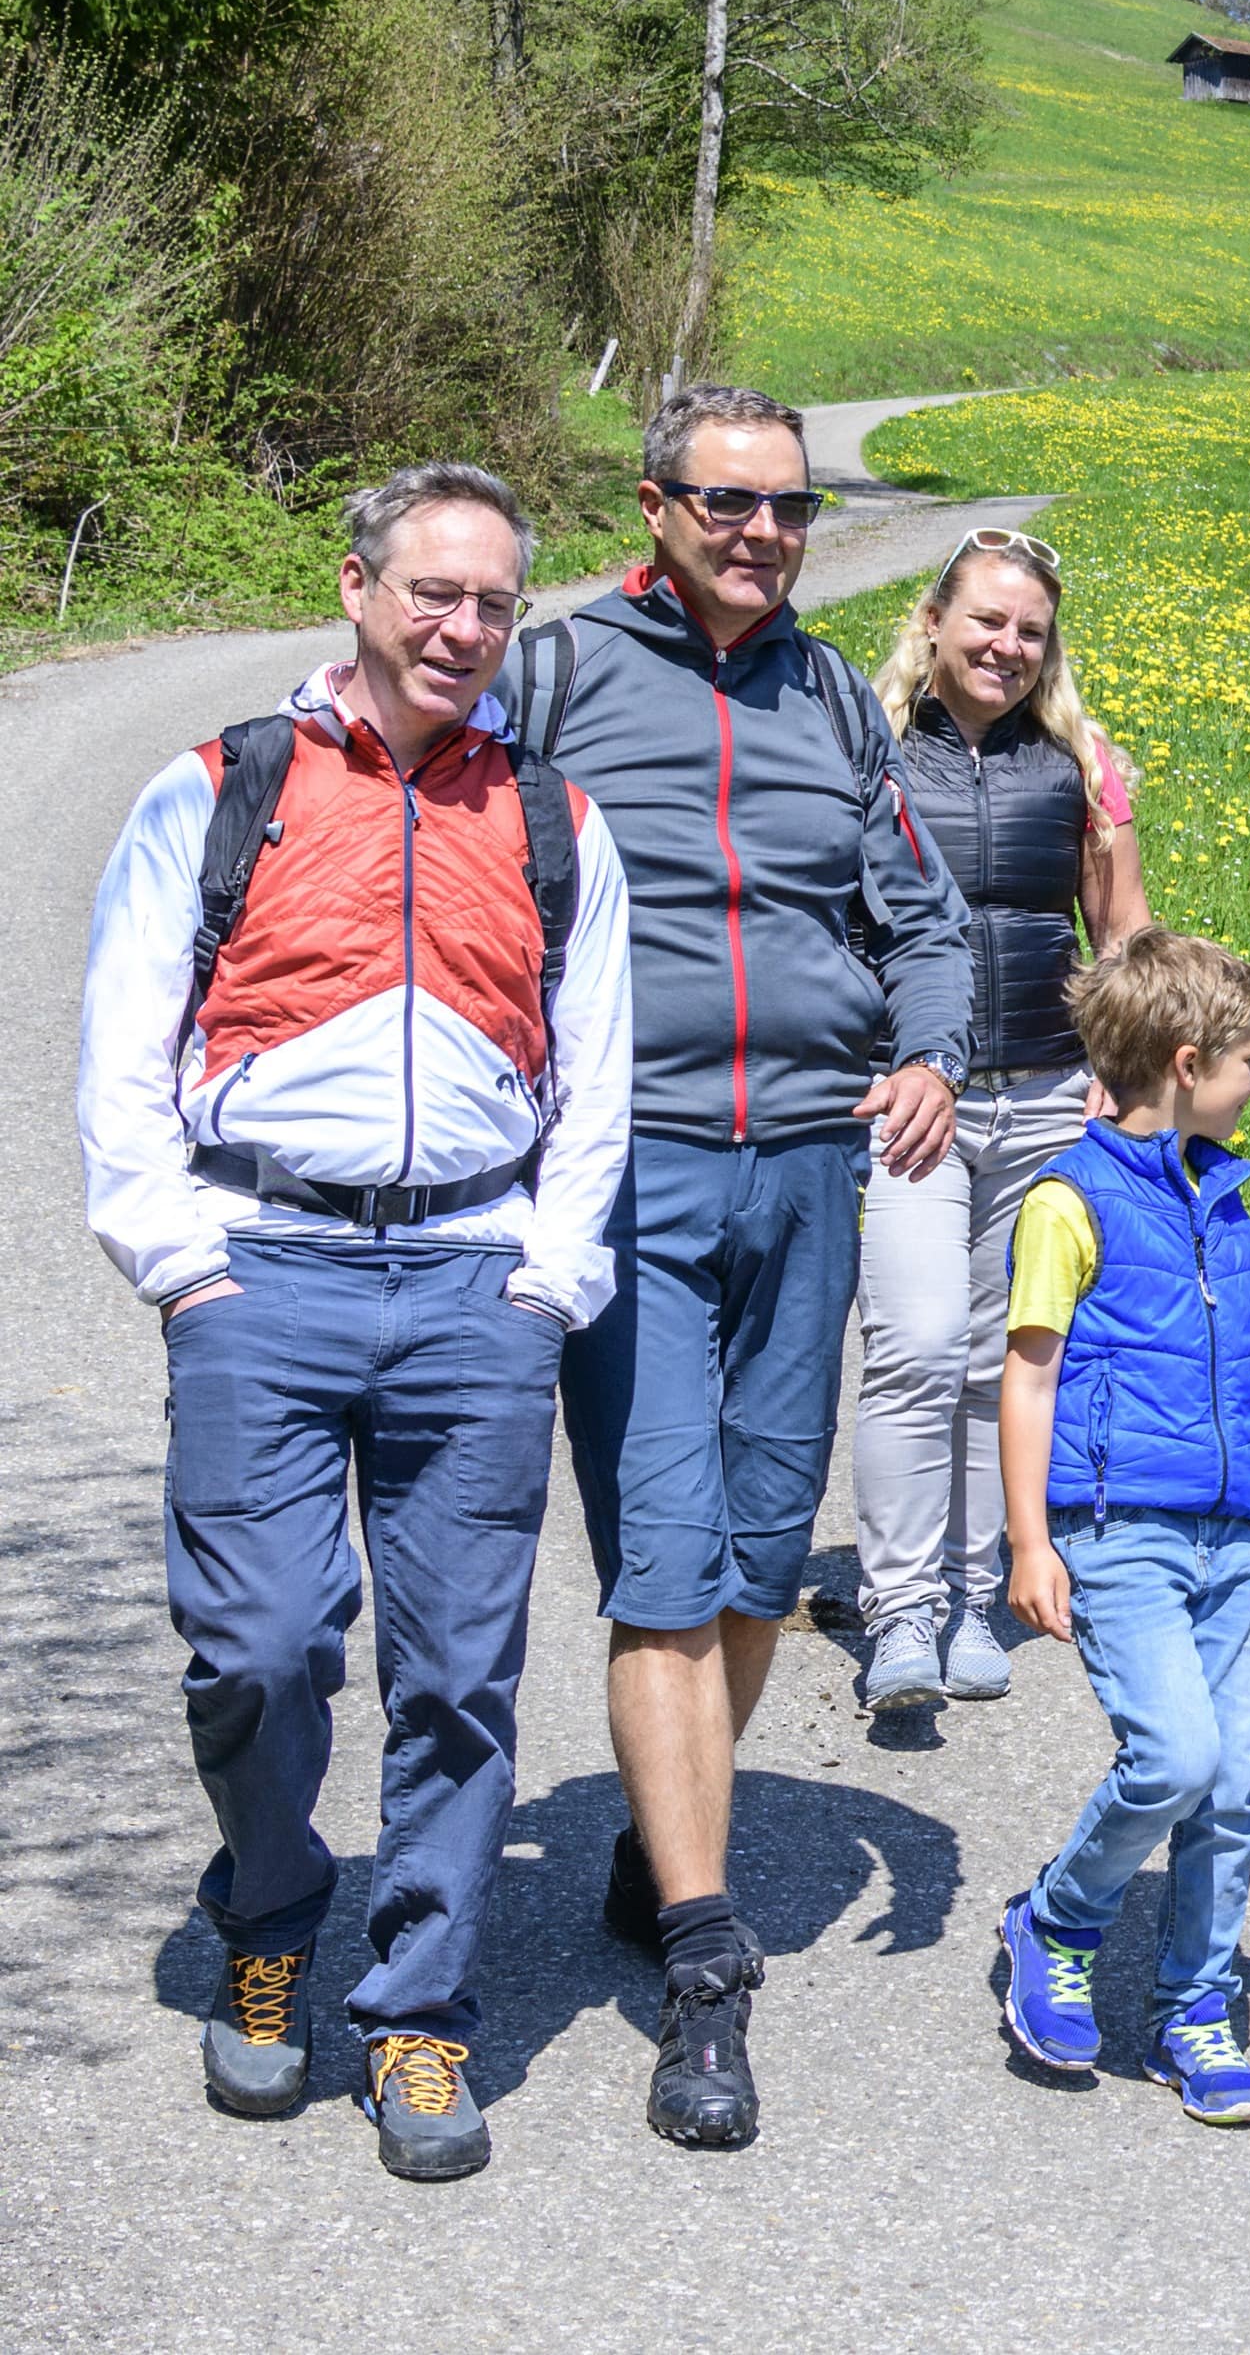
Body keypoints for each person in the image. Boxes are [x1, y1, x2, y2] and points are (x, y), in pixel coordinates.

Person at [78, 462, 634, 2182]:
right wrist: (181, 1260)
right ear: (359, 588)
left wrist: (549, 1277)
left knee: (462, 1675)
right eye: (432, 593)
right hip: (266, 1269)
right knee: (257, 1650)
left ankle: (417, 2009)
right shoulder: (222, 786)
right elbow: (122, 1042)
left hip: (473, 1283)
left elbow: (595, 1074)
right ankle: (268, 1910)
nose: (463, 628)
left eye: (493, 604)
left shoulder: (553, 816)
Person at [507, 382, 971, 2150]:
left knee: (767, 1558)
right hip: (629, 1176)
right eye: (730, 503)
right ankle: (707, 1967)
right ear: (657, 503)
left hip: (806, 1173)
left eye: (787, 508)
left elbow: (914, 913)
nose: (764, 533)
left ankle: (661, 1827)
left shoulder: (840, 700)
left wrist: (927, 1049)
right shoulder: (555, 679)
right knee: (664, 1563)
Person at [992, 927, 1250, 2124]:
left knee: (1232, 1790)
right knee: (1174, 1756)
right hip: (1116, 1529)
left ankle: (1193, 2010)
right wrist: (1028, 1539)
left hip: (1225, 1532)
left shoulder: (1225, 1200)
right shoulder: (1069, 1201)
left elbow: (1244, 1374)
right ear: (1183, 1061)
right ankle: (1057, 1917)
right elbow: (1027, 1374)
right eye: (1245, 1063)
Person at [851, 524, 1147, 1713]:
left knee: (1000, 1356)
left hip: (1042, 1092)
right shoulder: (863, 750)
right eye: (985, 620)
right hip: (907, 1099)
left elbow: (1121, 934)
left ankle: (974, 1598)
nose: (1007, 646)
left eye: (1030, 629)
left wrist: (1116, 1073)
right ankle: (898, 1607)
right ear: (932, 620)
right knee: (913, 1346)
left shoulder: (1082, 760)